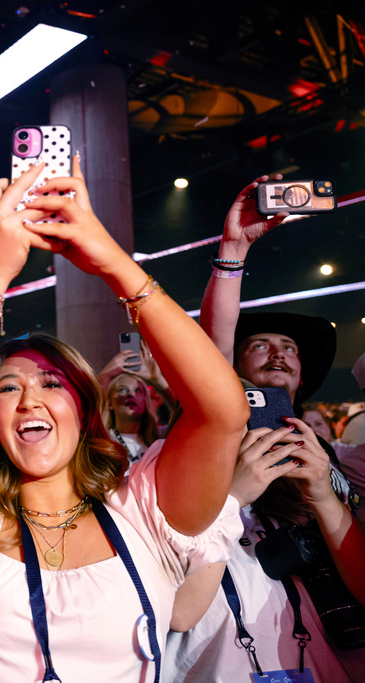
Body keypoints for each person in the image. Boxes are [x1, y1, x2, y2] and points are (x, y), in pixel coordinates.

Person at [0, 156, 249, 681]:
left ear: (83, 406)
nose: (30, 400)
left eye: (52, 384)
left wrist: (113, 264)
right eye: (8, 388)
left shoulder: (143, 509)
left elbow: (223, 414)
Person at [165, 176, 365, 681]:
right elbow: (213, 346)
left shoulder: (328, 453)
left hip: (334, 646)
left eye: (290, 347)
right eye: (261, 344)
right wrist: (233, 253)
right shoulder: (214, 429)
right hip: (229, 640)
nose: (279, 352)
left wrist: (323, 493)